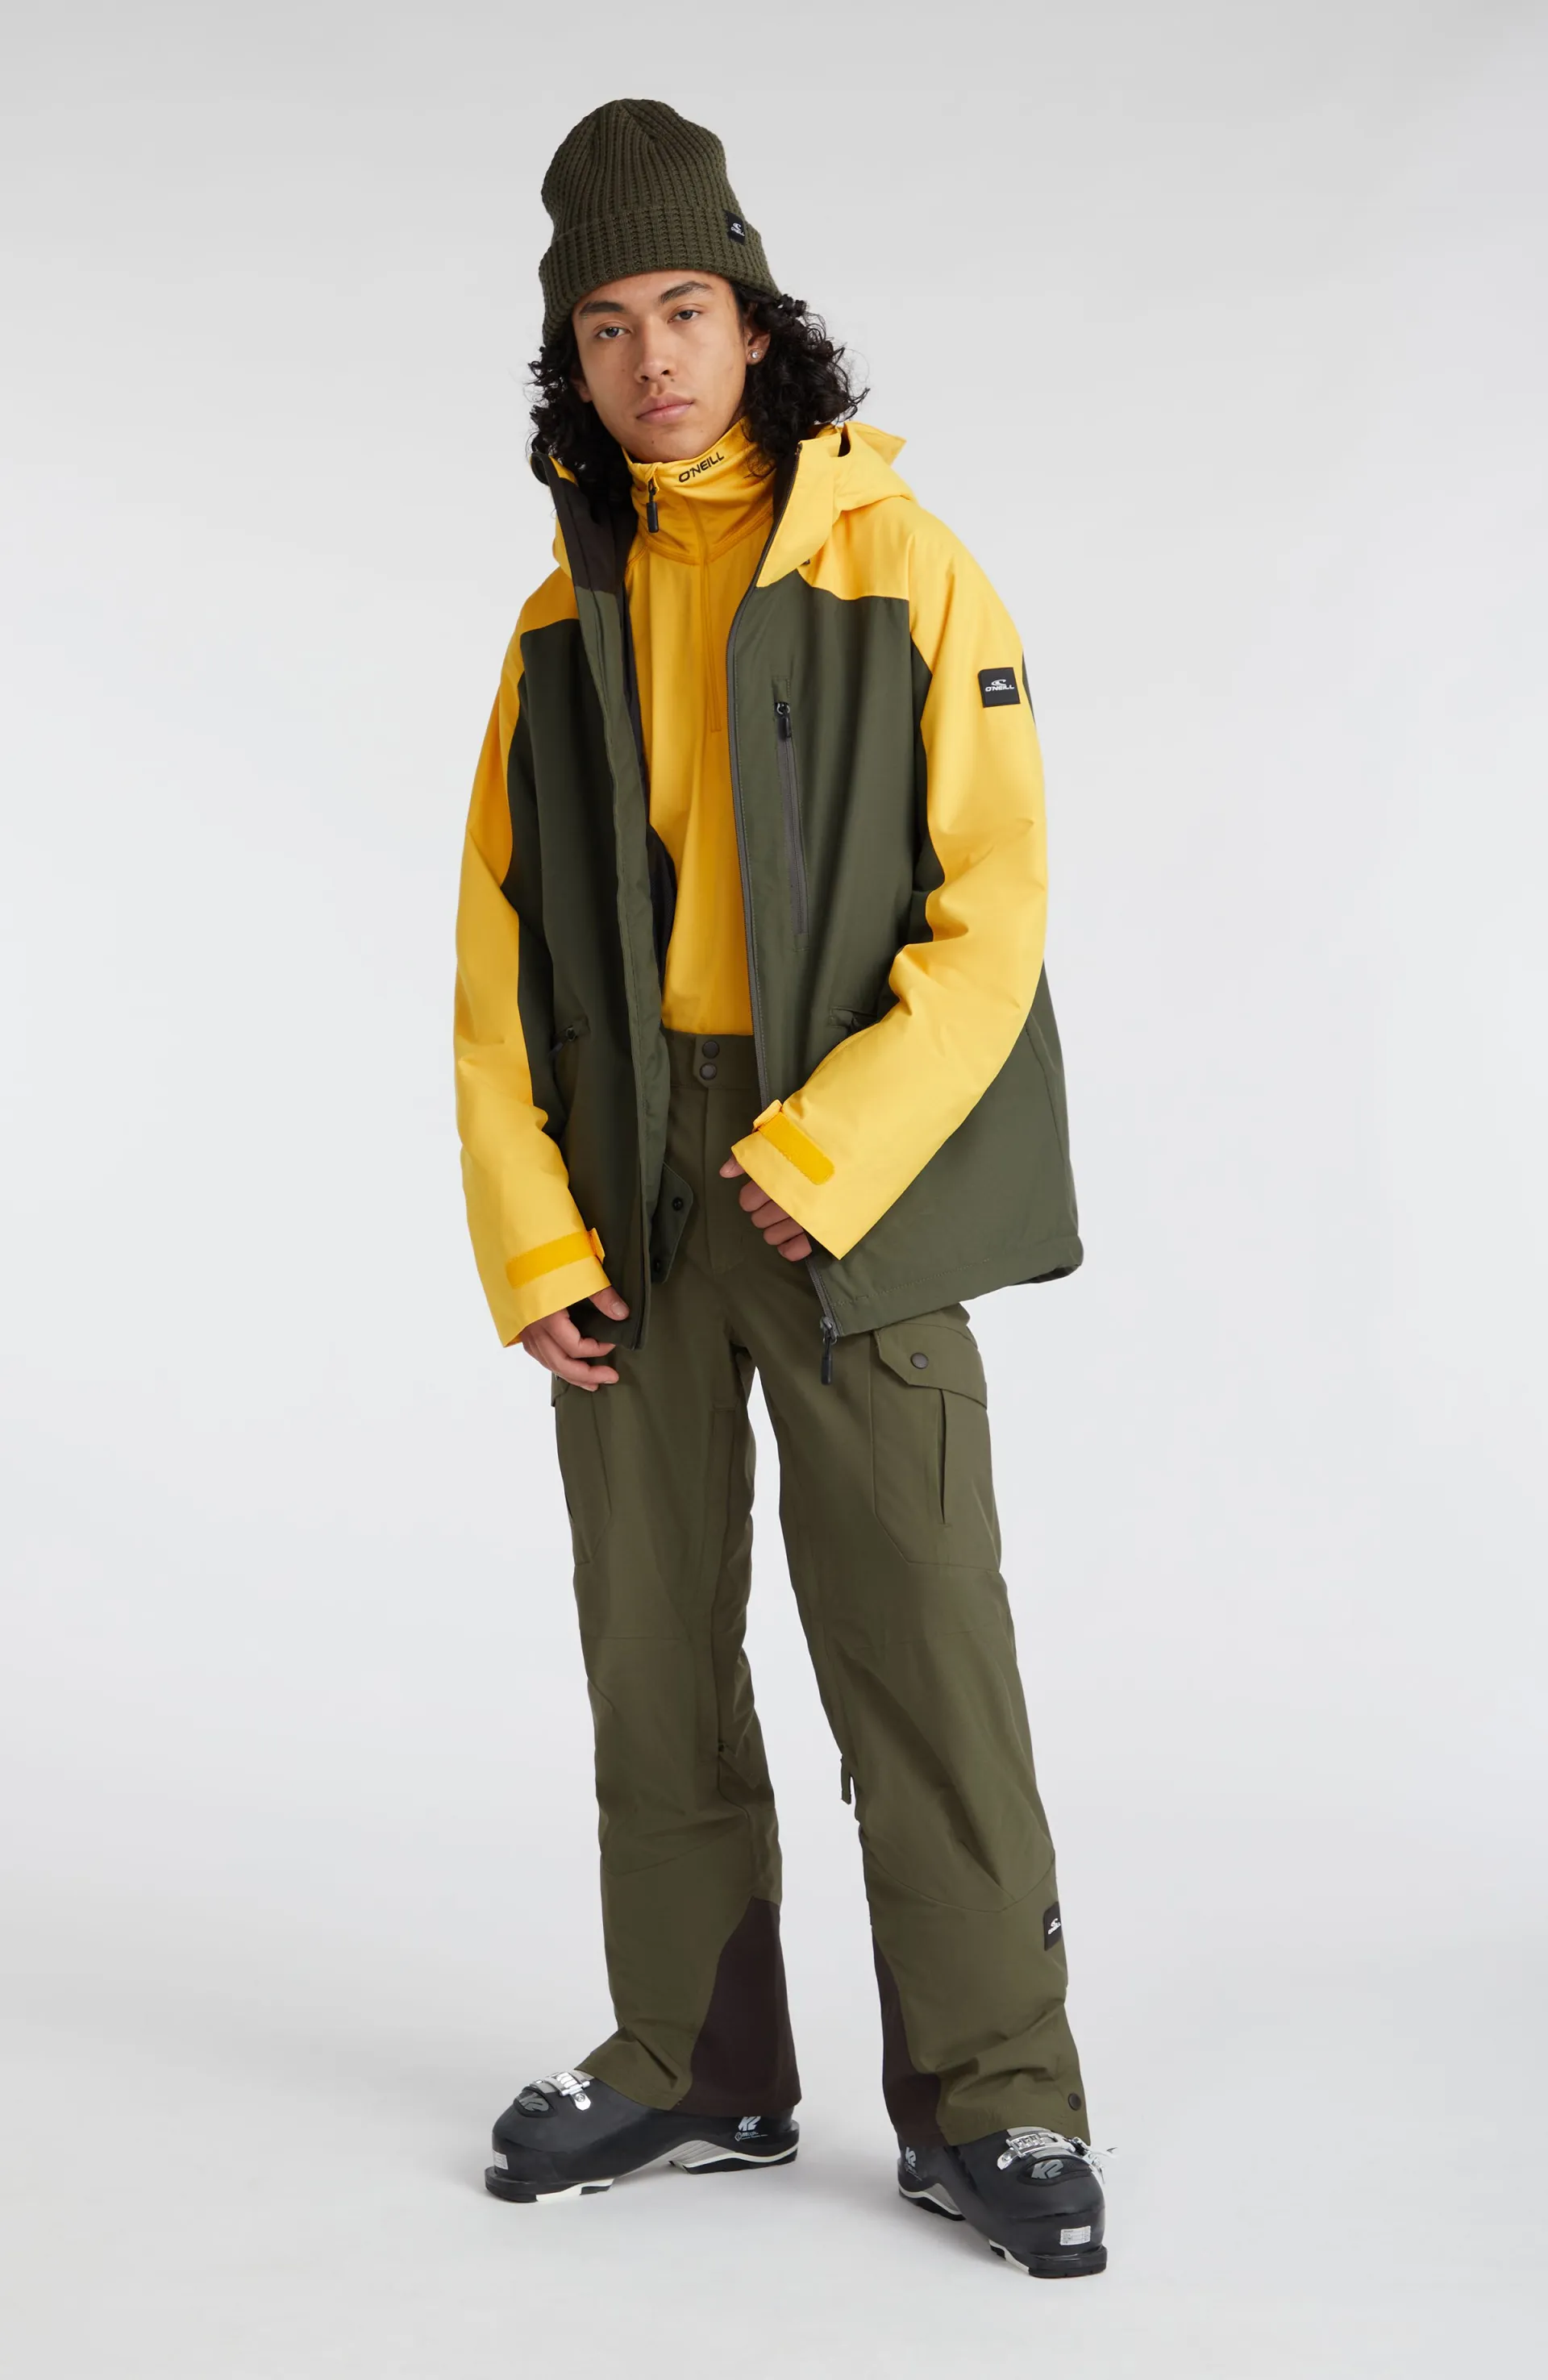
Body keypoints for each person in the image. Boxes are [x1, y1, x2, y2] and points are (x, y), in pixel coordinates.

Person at [453, 97, 1105, 2278]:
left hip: (851, 1180)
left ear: (754, 320)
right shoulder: (557, 621)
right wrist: (534, 1235)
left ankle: (997, 2097)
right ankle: (696, 2062)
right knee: (650, 1652)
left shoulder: (902, 565)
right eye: (608, 324)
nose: (652, 358)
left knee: (923, 1648)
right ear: (573, 354)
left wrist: (830, 1156)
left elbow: (995, 909)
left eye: (686, 309)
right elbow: (492, 964)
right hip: (630, 1197)